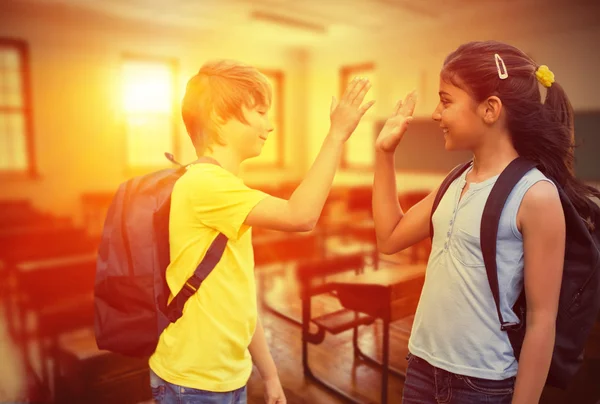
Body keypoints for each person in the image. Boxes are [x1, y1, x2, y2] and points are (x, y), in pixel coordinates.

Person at [372, 40, 600, 403]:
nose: (435, 113)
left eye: (446, 101)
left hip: (482, 384)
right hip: (421, 368)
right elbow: (390, 238)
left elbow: (543, 322)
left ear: (490, 109)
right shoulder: (454, 181)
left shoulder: (535, 195)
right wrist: (384, 155)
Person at [148, 59, 374, 404]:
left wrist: (269, 375)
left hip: (224, 378)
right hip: (194, 383)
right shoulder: (206, 184)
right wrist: (337, 135)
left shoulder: (224, 186)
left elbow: (240, 297)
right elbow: (302, 216)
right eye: (259, 112)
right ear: (219, 116)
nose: (269, 126)